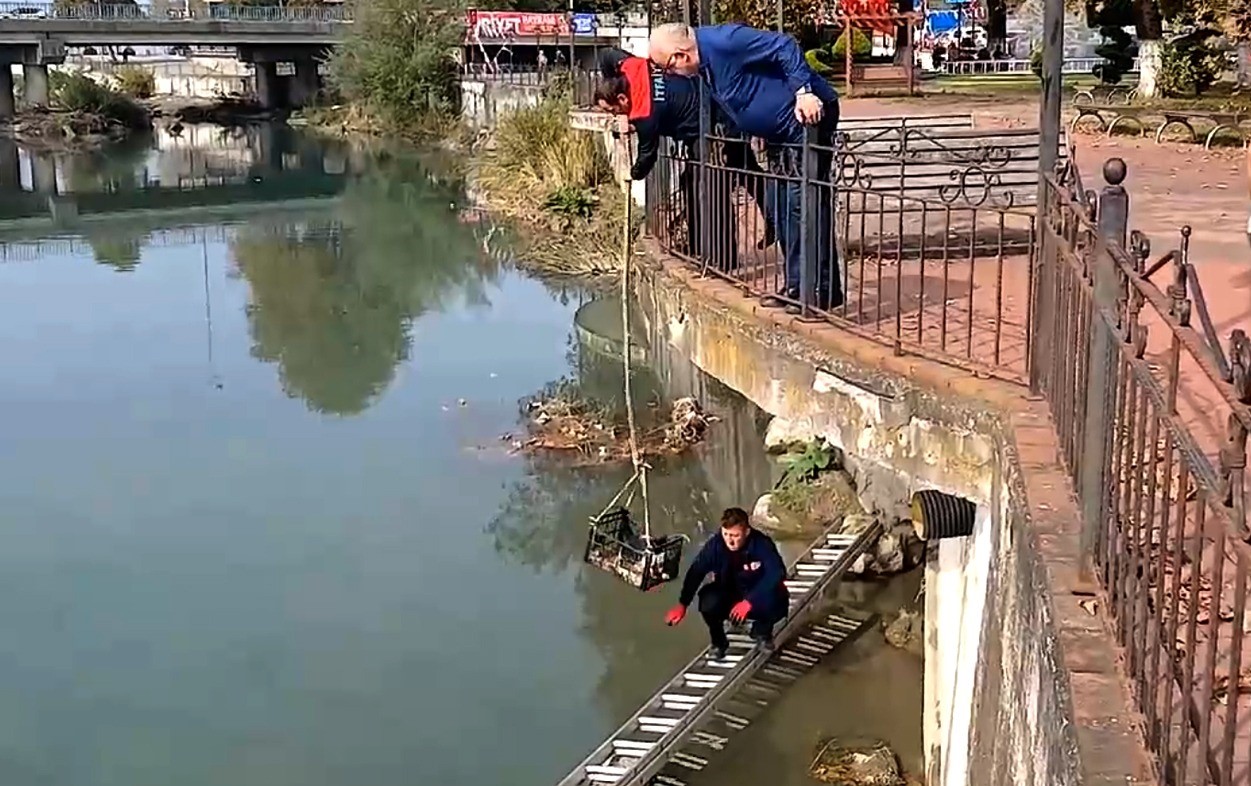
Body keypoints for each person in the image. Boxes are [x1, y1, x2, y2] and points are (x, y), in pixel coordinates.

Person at [648, 22, 843, 313]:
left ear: (680, 55)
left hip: (807, 121)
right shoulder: (707, 66)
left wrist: (803, 92)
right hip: (781, 132)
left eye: (667, 68)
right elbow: (744, 91)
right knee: (779, 205)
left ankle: (816, 291)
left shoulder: (724, 40)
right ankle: (797, 285)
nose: (669, 75)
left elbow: (784, 45)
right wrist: (757, 127)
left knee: (802, 205)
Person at [593, 47, 774, 269]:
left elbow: (647, 157)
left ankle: (725, 258)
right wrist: (610, 86)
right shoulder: (632, 67)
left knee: (712, 187)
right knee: (730, 176)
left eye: (613, 110)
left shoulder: (645, 115)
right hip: (713, 105)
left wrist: (632, 174)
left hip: (712, 127)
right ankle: (702, 246)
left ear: (622, 98)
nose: (614, 115)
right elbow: (606, 54)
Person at [663, 506, 788, 658]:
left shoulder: (761, 544)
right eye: (726, 534)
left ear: (746, 532)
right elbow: (696, 572)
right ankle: (718, 642)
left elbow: (777, 572)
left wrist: (750, 602)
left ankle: (762, 633)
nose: (730, 540)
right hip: (730, 594)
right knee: (707, 601)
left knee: (777, 598)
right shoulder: (715, 546)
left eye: (735, 535)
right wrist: (683, 604)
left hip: (756, 596)